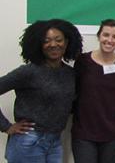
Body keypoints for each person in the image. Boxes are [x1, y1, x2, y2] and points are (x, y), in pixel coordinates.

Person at [0, 19, 83, 162]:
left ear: (67, 42)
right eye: (46, 41)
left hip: (55, 142)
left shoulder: (70, 73)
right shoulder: (28, 72)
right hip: (28, 142)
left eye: (58, 40)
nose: (53, 45)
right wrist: (6, 127)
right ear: (38, 45)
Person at [71, 19, 115, 163]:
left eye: (114, 37)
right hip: (84, 134)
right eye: (106, 35)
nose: (109, 40)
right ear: (99, 36)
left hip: (112, 136)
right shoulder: (82, 61)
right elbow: (73, 93)